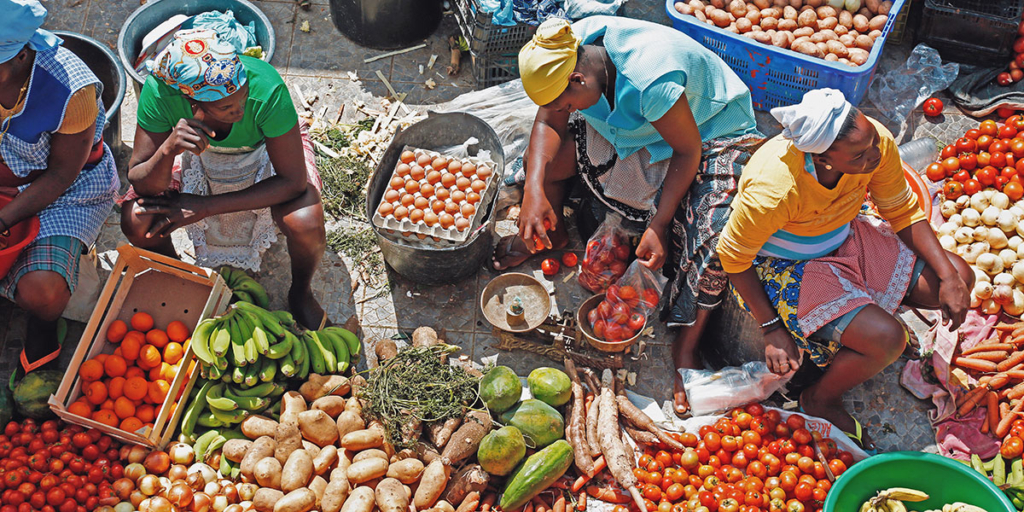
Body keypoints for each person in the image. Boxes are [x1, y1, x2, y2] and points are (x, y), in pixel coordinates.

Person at [502, 16, 761, 415]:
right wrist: (533, 190)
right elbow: (547, 122)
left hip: (707, 130)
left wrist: (659, 224)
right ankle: (549, 233)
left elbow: (688, 151)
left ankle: (687, 343)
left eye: (565, 102)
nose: (562, 110)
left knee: (715, 230)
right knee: (539, 160)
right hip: (644, 127)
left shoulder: (650, 81)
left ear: (578, 80)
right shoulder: (571, 48)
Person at [717, 89, 973, 452]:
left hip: (846, 234)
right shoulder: (774, 189)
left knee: (960, 275)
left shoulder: (875, 142)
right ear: (823, 159)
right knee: (888, 338)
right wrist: (770, 327)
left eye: (872, 144)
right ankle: (819, 398)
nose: (875, 155)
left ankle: (860, 320)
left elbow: (901, 209)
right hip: (789, 266)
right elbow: (732, 257)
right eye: (859, 155)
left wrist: (947, 276)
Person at [121, 29, 329, 330]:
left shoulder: (265, 87)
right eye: (226, 107)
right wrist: (168, 150)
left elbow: (293, 181)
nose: (240, 111)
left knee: (306, 223)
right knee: (137, 221)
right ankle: (183, 280)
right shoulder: (160, 92)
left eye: (243, 98)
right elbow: (140, 180)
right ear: (192, 102)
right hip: (196, 157)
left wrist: (205, 206)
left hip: (264, 151)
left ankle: (300, 293)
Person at [0, 0, 120, 377]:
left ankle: (43, 327)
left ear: (21, 55)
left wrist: (3, 220)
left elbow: (61, 175)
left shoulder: (70, 88)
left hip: (66, 193)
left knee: (43, 290)